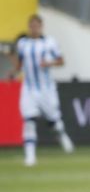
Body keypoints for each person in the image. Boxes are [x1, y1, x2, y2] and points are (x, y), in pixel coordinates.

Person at [10, 15, 75, 166]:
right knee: (29, 121)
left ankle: (62, 135)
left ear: (41, 26)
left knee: (53, 120)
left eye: (36, 25)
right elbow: (20, 64)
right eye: (31, 25)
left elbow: (61, 61)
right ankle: (30, 157)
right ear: (28, 27)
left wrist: (49, 63)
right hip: (29, 88)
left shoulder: (49, 42)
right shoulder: (22, 43)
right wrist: (13, 72)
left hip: (46, 88)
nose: (34, 28)